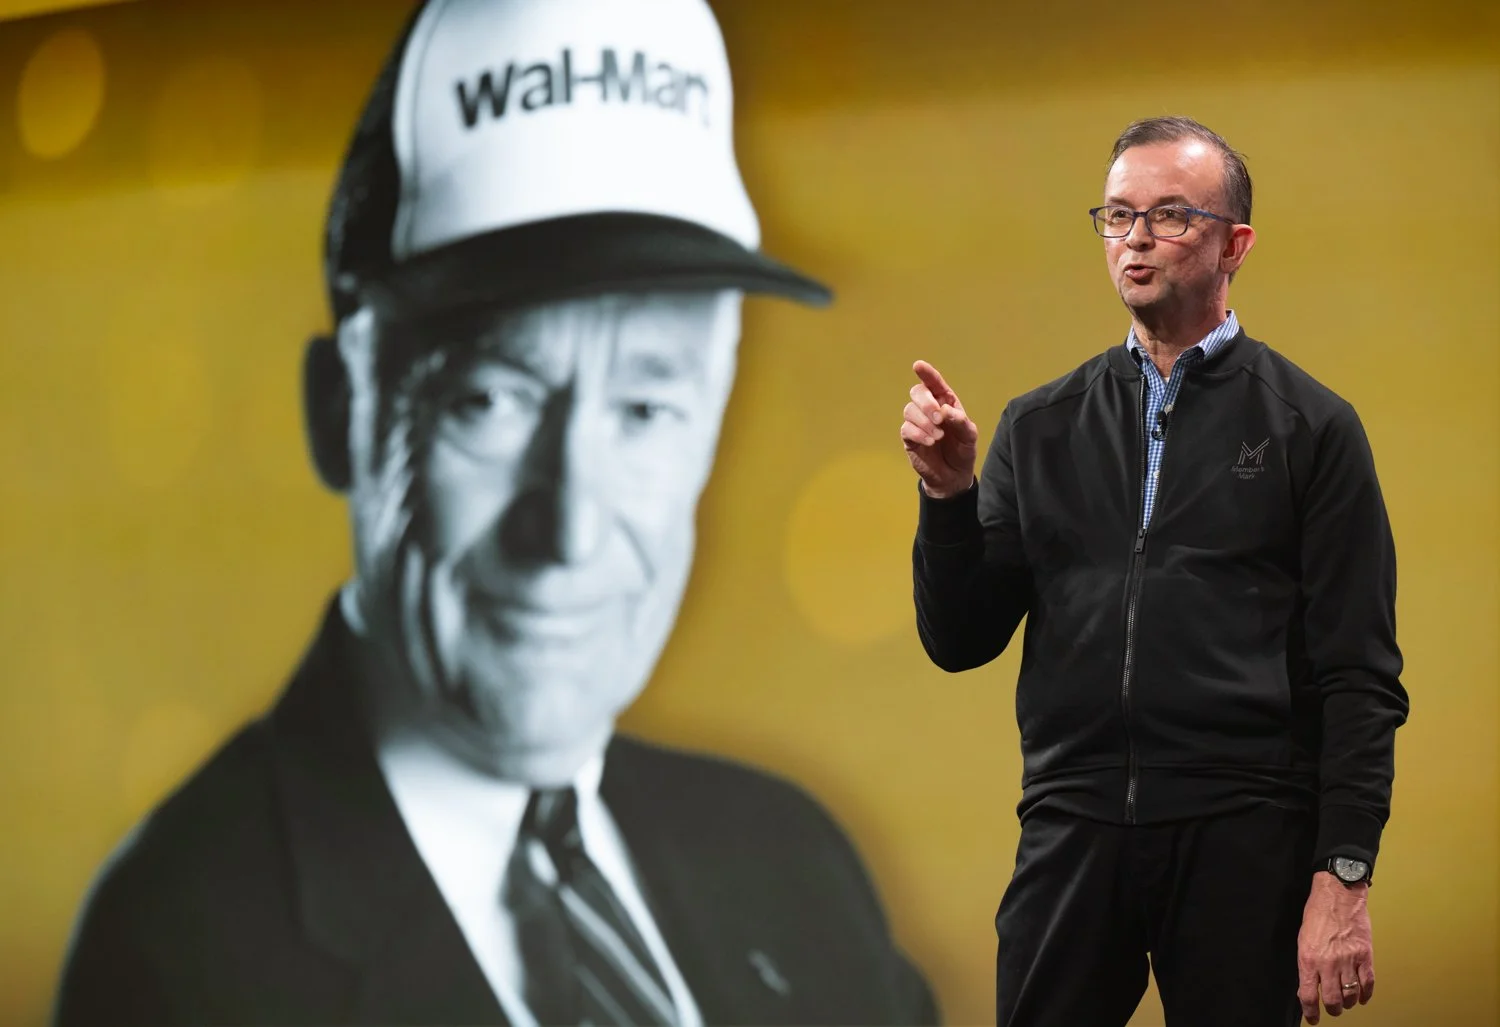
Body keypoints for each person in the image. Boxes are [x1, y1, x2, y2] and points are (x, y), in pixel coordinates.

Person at [52, 2, 937, 1025]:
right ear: (341, 413)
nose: (568, 527)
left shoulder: (793, 866)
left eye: (645, 408)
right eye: (488, 399)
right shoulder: (183, 958)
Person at [901, 115, 1407, 1027]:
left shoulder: (1311, 429)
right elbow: (959, 637)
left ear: (1234, 245)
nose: (1135, 238)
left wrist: (1344, 875)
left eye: (1169, 215)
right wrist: (947, 496)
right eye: (1117, 215)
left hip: (1243, 836)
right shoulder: (1038, 425)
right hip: (1072, 829)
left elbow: (1360, 678)